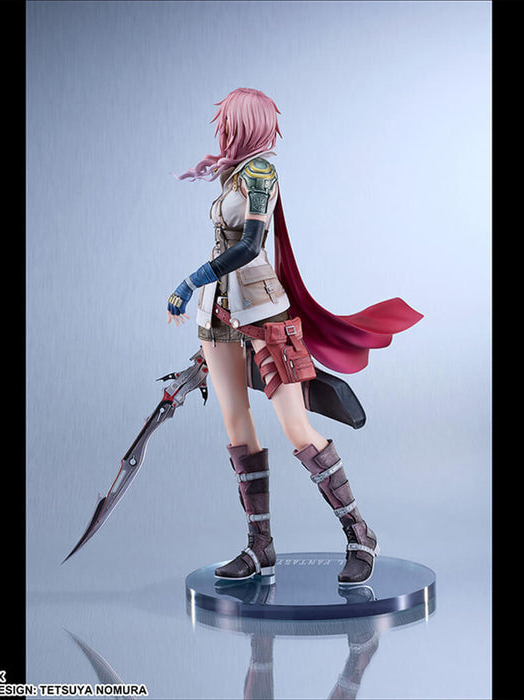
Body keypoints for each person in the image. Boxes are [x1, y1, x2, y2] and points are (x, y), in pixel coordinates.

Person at [167, 88, 422, 585]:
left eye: (228, 123)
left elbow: (250, 246)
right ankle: (260, 546)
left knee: (296, 428)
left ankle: (360, 533)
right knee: (236, 425)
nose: (222, 131)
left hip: (263, 310)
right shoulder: (232, 174)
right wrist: (202, 293)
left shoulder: (261, 173)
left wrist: (190, 280)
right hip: (217, 313)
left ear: (245, 125)